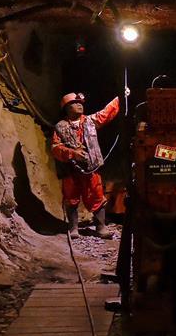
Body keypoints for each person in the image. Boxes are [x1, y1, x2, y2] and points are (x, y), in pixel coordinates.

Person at [51, 90, 126, 239]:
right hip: (71, 170)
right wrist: (73, 154)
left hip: (91, 168)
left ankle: (101, 227)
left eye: (80, 103)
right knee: (71, 197)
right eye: (75, 103)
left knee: (96, 195)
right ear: (66, 108)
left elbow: (106, 113)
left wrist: (120, 98)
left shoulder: (90, 121)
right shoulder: (60, 127)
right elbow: (55, 148)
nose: (79, 105)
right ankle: (73, 228)